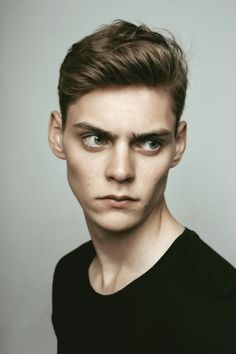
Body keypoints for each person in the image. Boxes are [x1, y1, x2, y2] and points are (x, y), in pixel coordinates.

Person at [48, 19, 236, 354]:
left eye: (149, 143)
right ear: (57, 136)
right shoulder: (69, 276)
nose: (120, 171)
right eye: (96, 139)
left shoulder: (221, 313)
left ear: (177, 145)